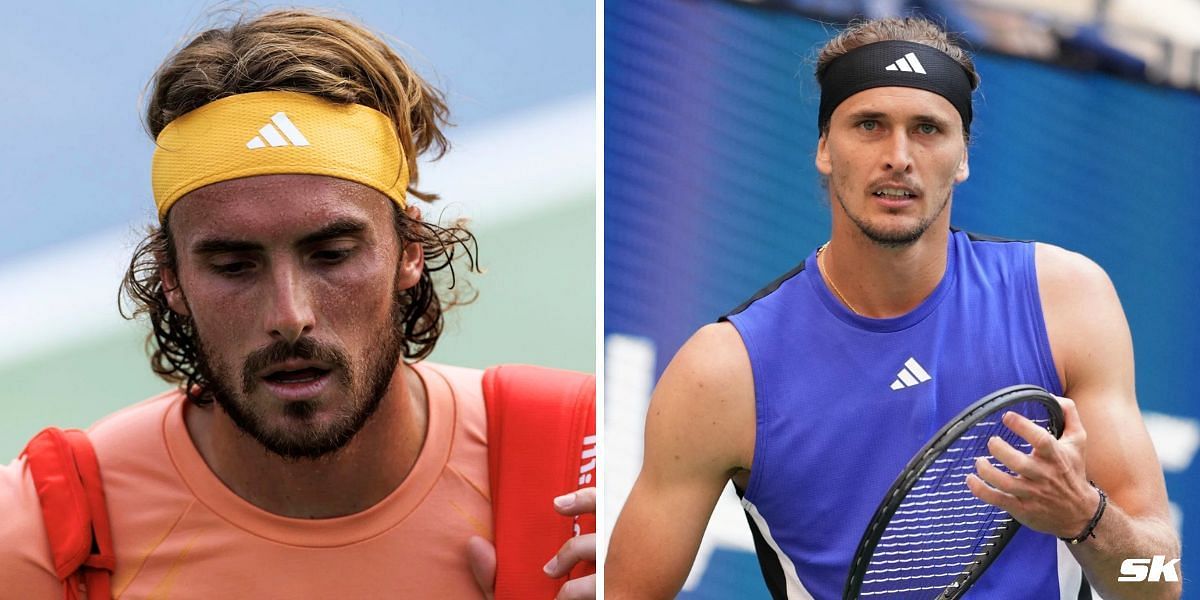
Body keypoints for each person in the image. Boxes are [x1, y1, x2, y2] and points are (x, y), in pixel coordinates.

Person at [0, 10, 595, 599]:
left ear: (409, 250)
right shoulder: (41, 539)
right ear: (173, 278)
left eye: (331, 254)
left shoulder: (590, 468)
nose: (289, 315)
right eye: (234, 266)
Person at [606, 17, 1180, 600]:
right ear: (826, 149)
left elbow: (1161, 580)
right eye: (869, 125)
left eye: (927, 128)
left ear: (962, 158)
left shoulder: (1068, 300)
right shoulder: (723, 374)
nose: (898, 156)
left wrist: (1085, 518)